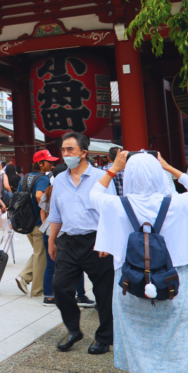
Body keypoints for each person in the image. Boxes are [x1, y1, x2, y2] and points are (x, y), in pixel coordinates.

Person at [90, 150, 188, 372]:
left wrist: (113, 169)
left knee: (138, 340)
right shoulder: (179, 203)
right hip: (175, 280)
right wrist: (169, 167)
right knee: (182, 337)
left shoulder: (115, 204)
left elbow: (93, 193)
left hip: (130, 282)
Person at [47, 132, 115, 355]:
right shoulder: (59, 180)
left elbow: (111, 212)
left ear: (83, 152)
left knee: (104, 293)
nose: (65, 154)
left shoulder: (101, 177)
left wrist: (107, 240)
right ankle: (73, 330)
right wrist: (52, 241)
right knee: (60, 287)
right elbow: (55, 213)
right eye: (63, 150)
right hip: (68, 241)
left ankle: (104, 337)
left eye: (70, 150)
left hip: (96, 241)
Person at [14, 150, 57, 297]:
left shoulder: (24, 177)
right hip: (39, 222)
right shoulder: (43, 178)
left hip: (26, 222)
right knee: (41, 256)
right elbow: (39, 195)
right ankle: (37, 290)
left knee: (40, 253)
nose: (51, 164)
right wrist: (47, 211)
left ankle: (24, 277)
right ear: (40, 163)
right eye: (49, 161)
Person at [40, 182, 89, 306]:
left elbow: (43, 209)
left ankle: (48, 296)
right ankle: (81, 296)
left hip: (48, 228)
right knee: (77, 263)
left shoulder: (48, 190)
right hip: (63, 230)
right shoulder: (68, 190)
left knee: (50, 265)